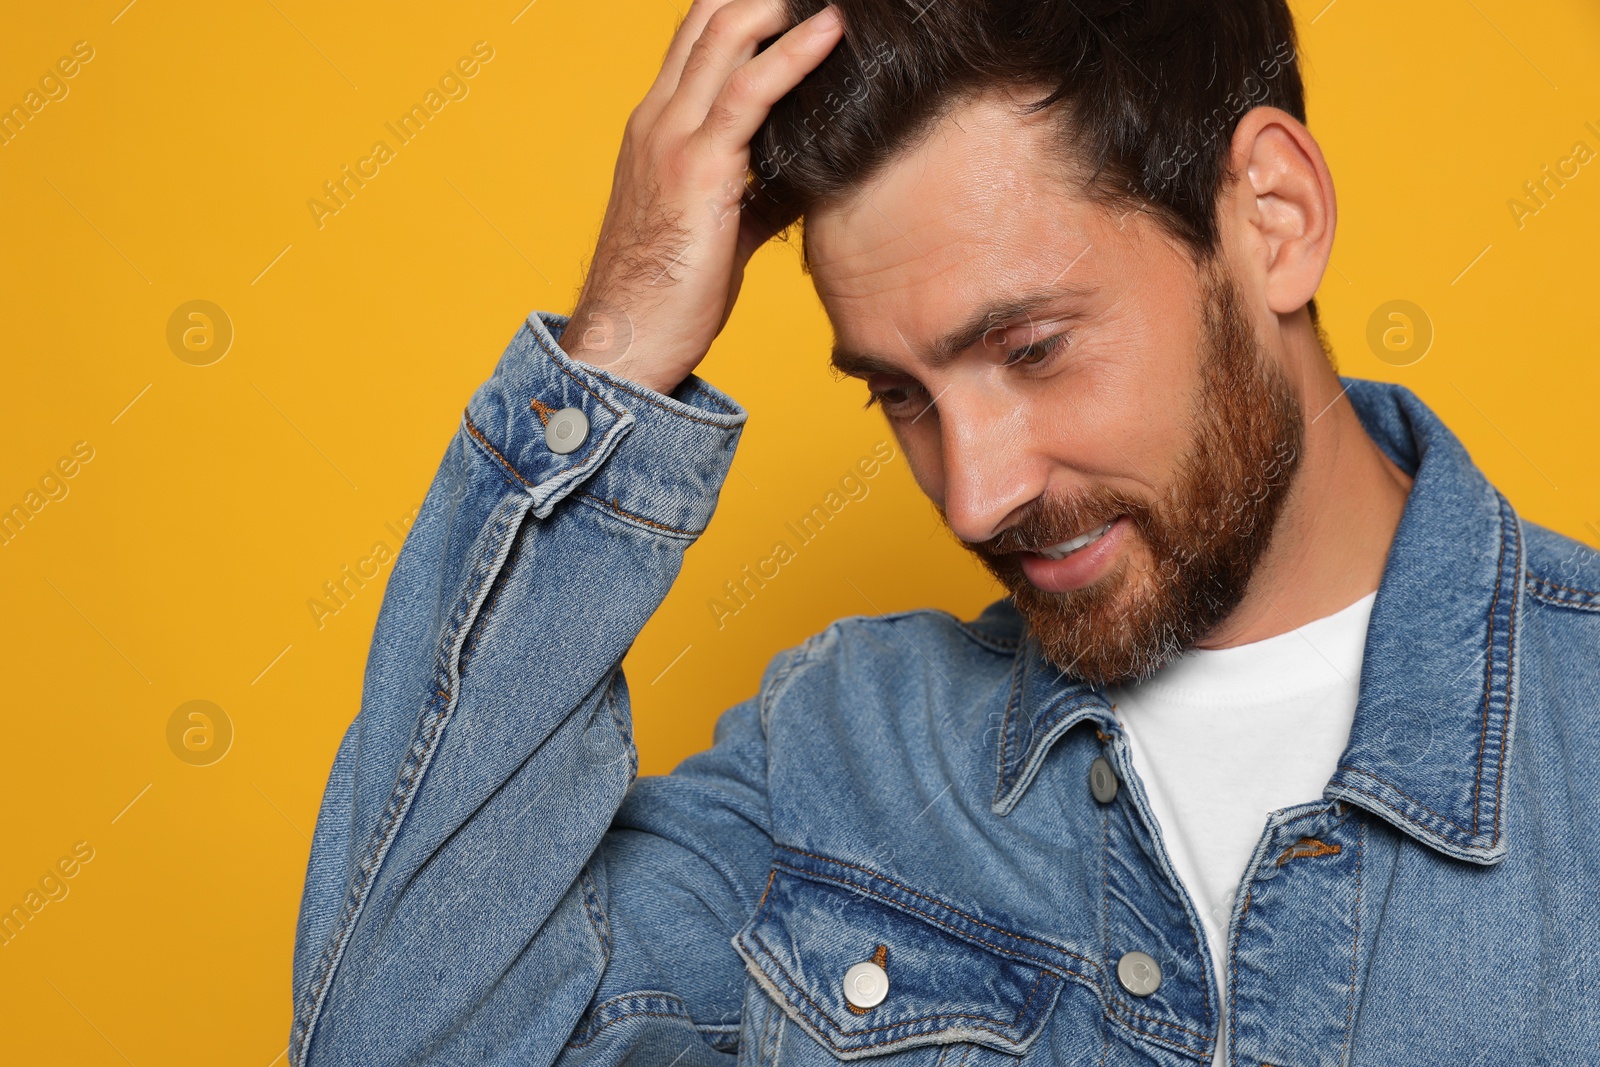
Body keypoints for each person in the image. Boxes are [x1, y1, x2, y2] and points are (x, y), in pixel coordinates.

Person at [288, 1, 1600, 1064]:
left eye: (1032, 348)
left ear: (1271, 219)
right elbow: (392, 1039)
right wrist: (623, 347)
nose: (974, 497)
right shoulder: (838, 760)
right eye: (902, 396)